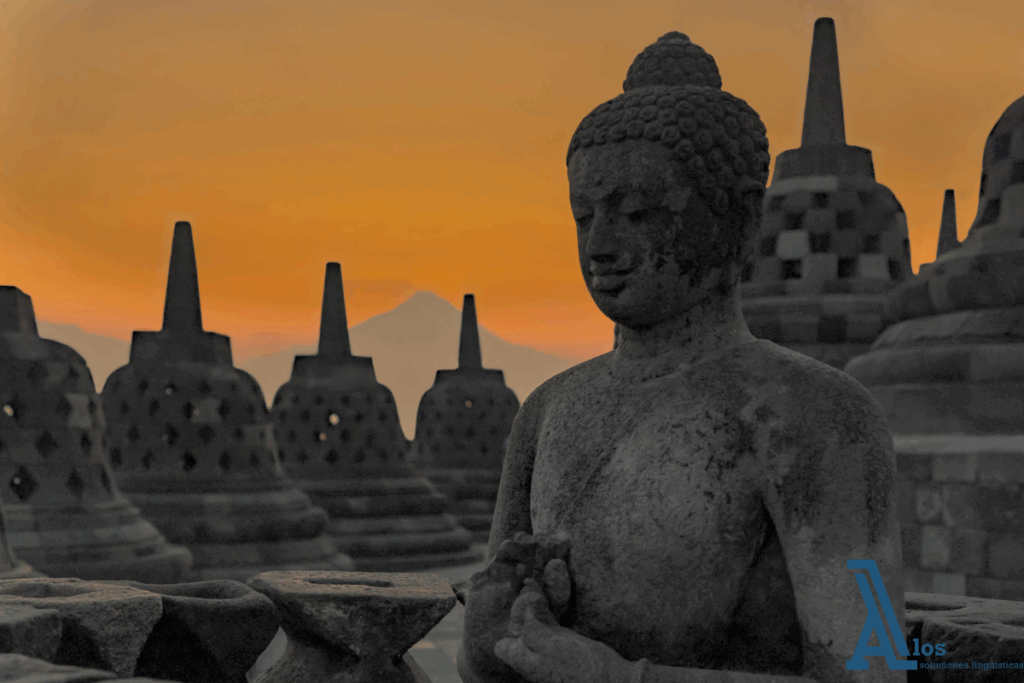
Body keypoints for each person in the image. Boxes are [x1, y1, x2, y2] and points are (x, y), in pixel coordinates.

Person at [456, 31, 906, 683]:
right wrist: (487, 636)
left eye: (639, 213)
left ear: (740, 221)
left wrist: (621, 678)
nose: (601, 244)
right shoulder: (547, 411)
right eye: (583, 216)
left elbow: (878, 664)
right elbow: (491, 664)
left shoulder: (826, 420)